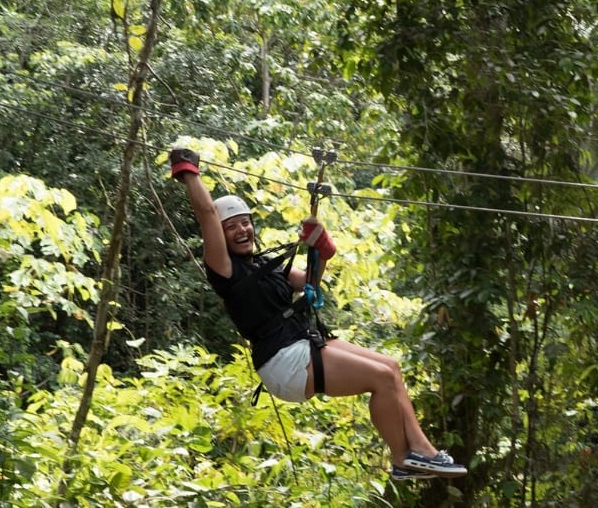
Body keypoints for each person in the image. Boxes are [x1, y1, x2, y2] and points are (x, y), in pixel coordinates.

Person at [169, 148, 466, 480]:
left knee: (391, 368)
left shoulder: (267, 266)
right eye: (231, 227)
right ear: (221, 237)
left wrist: (321, 250)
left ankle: (422, 451)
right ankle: (402, 458)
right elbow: (207, 213)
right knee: (380, 379)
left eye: (245, 223)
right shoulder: (224, 270)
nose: (242, 230)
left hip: (302, 340)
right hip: (282, 360)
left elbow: (310, 281)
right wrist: (189, 172)